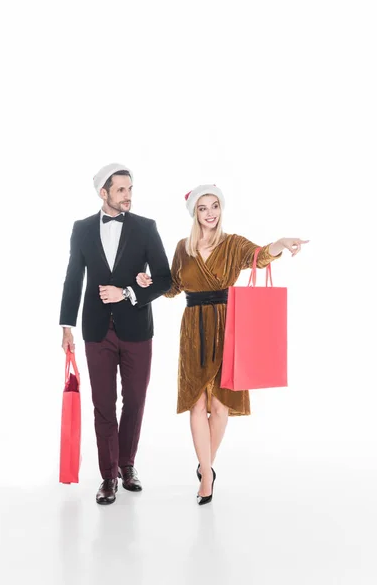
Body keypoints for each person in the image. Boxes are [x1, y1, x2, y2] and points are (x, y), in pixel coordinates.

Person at [136, 184, 308, 505]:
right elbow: (173, 286)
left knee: (220, 405)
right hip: (194, 328)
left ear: (220, 209)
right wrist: (150, 283)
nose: (210, 213)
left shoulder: (232, 244)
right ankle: (207, 476)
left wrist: (280, 244)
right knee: (197, 403)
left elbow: (258, 256)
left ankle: (205, 468)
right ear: (195, 213)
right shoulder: (182, 248)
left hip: (229, 324)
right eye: (203, 208)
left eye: (215, 206)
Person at [59, 163, 171, 505]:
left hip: (137, 329)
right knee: (103, 405)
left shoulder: (146, 228)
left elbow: (165, 279)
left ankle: (127, 464)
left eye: (130, 189)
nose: (128, 196)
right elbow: (73, 277)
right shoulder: (81, 229)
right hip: (96, 330)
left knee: (134, 401)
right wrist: (67, 325)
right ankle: (108, 477)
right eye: (121, 189)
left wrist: (128, 293)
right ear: (103, 192)